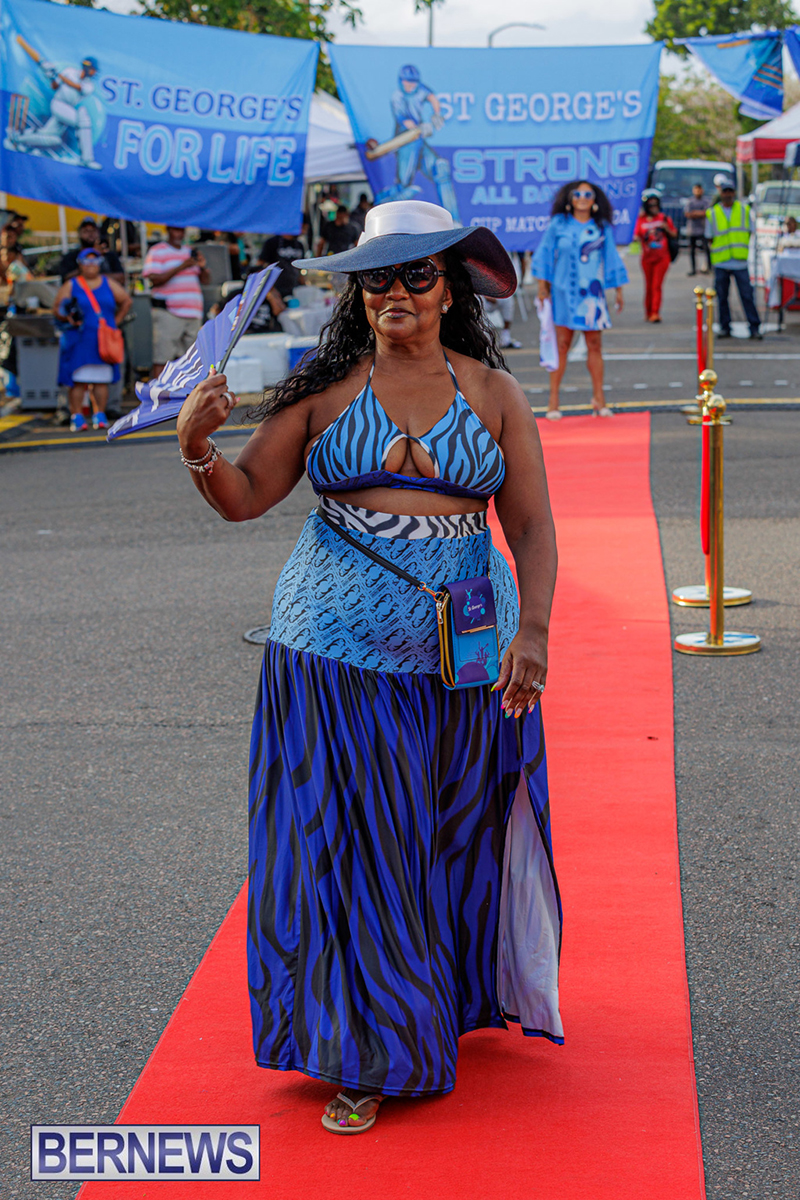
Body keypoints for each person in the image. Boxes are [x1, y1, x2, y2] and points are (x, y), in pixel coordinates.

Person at [176, 199, 563, 1135]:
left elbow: (531, 525)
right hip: (333, 654)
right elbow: (244, 497)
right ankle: (372, 1052)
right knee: (360, 847)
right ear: (358, 294)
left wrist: (537, 632)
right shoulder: (325, 391)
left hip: (466, 657)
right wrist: (196, 445)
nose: (395, 292)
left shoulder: (494, 393)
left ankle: (439, 1003)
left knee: (450, 832)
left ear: (449, 286)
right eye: (378, 278)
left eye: (415, 275)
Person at [532, 179, 627, 419]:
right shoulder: (558, 224)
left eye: (588, 193)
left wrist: (617, 289)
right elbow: (544, 253)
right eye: (578, 193)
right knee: (562, 346)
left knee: (595, 345)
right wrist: (543, 287)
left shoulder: (601, 227)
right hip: (563, 293)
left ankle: (599, 398)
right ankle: (553, 401)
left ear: (595, 199)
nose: (583, 197)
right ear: (570, 198)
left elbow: (611, 257)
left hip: (592, 298)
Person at [54, 247, 131, 431]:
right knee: (78, 379)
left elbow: (126, 301)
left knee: (100, 379)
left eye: (94, 261)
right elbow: (57, 307)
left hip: (102, 340)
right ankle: (77, 416)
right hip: (79, 338)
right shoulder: (72, 284)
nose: (91, 265)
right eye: (87, 261)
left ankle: (99, 414)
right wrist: (67, 317)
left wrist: (115, 322)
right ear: (80, 264)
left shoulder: (108, 283)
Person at [377, 64, 459, 222]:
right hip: (406, 141)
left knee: (440, 168)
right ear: (401, 81)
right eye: (407, 82)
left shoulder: (419, 89)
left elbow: (432, 98)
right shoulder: (397, 97)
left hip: (418, 141)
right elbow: (406, 122)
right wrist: (420, 128)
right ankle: (385, 209)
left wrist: (436, 114)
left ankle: (454, 223)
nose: (410, 85)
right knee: (404, 186)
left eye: (413, 82)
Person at [142, 226, 210, 377]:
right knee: (162, 359)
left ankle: (188, 398)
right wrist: (182, 266)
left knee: (192, 362)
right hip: (169, 313)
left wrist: (203, 267)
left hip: (193, 314)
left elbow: (206, 281)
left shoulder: (189, 251)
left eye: (181, 230)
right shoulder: (157, 250)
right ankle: (160, 398)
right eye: (176, 230)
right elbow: (154, 279)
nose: (179, 234)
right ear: (168, 230)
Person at [706, 178, 761, 340]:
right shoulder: (713, 212)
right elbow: (709, 237)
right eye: (725, 191)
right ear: (721, 193)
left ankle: (754, 326)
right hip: (721, 261)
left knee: (746, 295)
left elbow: (750, 231)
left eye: (730, 191)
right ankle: (725, 326)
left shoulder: (743, 210)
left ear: (734, 192)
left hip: (739, 261)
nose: (728, 194)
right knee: (722, 297)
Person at [633, 189, 677, 323]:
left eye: (655, 204)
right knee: (648, 286)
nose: (653, 207)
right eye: (650, 205)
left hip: (662, 257)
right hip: (647, 258)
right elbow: (635, 235)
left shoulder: (664, 218)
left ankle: (655, 312)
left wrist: (666, 228)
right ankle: (648, 311)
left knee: (656, 285)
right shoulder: (641, 220)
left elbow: (674, 234)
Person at [59, 216, 124, 285]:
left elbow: (121, 278)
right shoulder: (70, 257)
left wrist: (95, 278)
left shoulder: (109, 255)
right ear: (79, 234)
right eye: (86, 231)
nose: (90, 234)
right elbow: (66, 280)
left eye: (93, 230)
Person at [257, 232, 305, 297]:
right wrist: (268, 289)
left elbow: (300, 271)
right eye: (303, 227)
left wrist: (304, 286)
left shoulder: (299, 245)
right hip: (276, 288)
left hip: (294, 289)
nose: (304, 231)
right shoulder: (272, 242)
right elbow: (259, 266)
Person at [685, 183, 711, 276]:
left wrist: (696, 213)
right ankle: (693, 269)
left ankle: (709, 268)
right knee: (692, 250)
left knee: (706, 249)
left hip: (703, 229)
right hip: (692, 230)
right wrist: (698, 214)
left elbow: (706, 213)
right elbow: (687, 214)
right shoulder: (690, 202)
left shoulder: (705, 202)